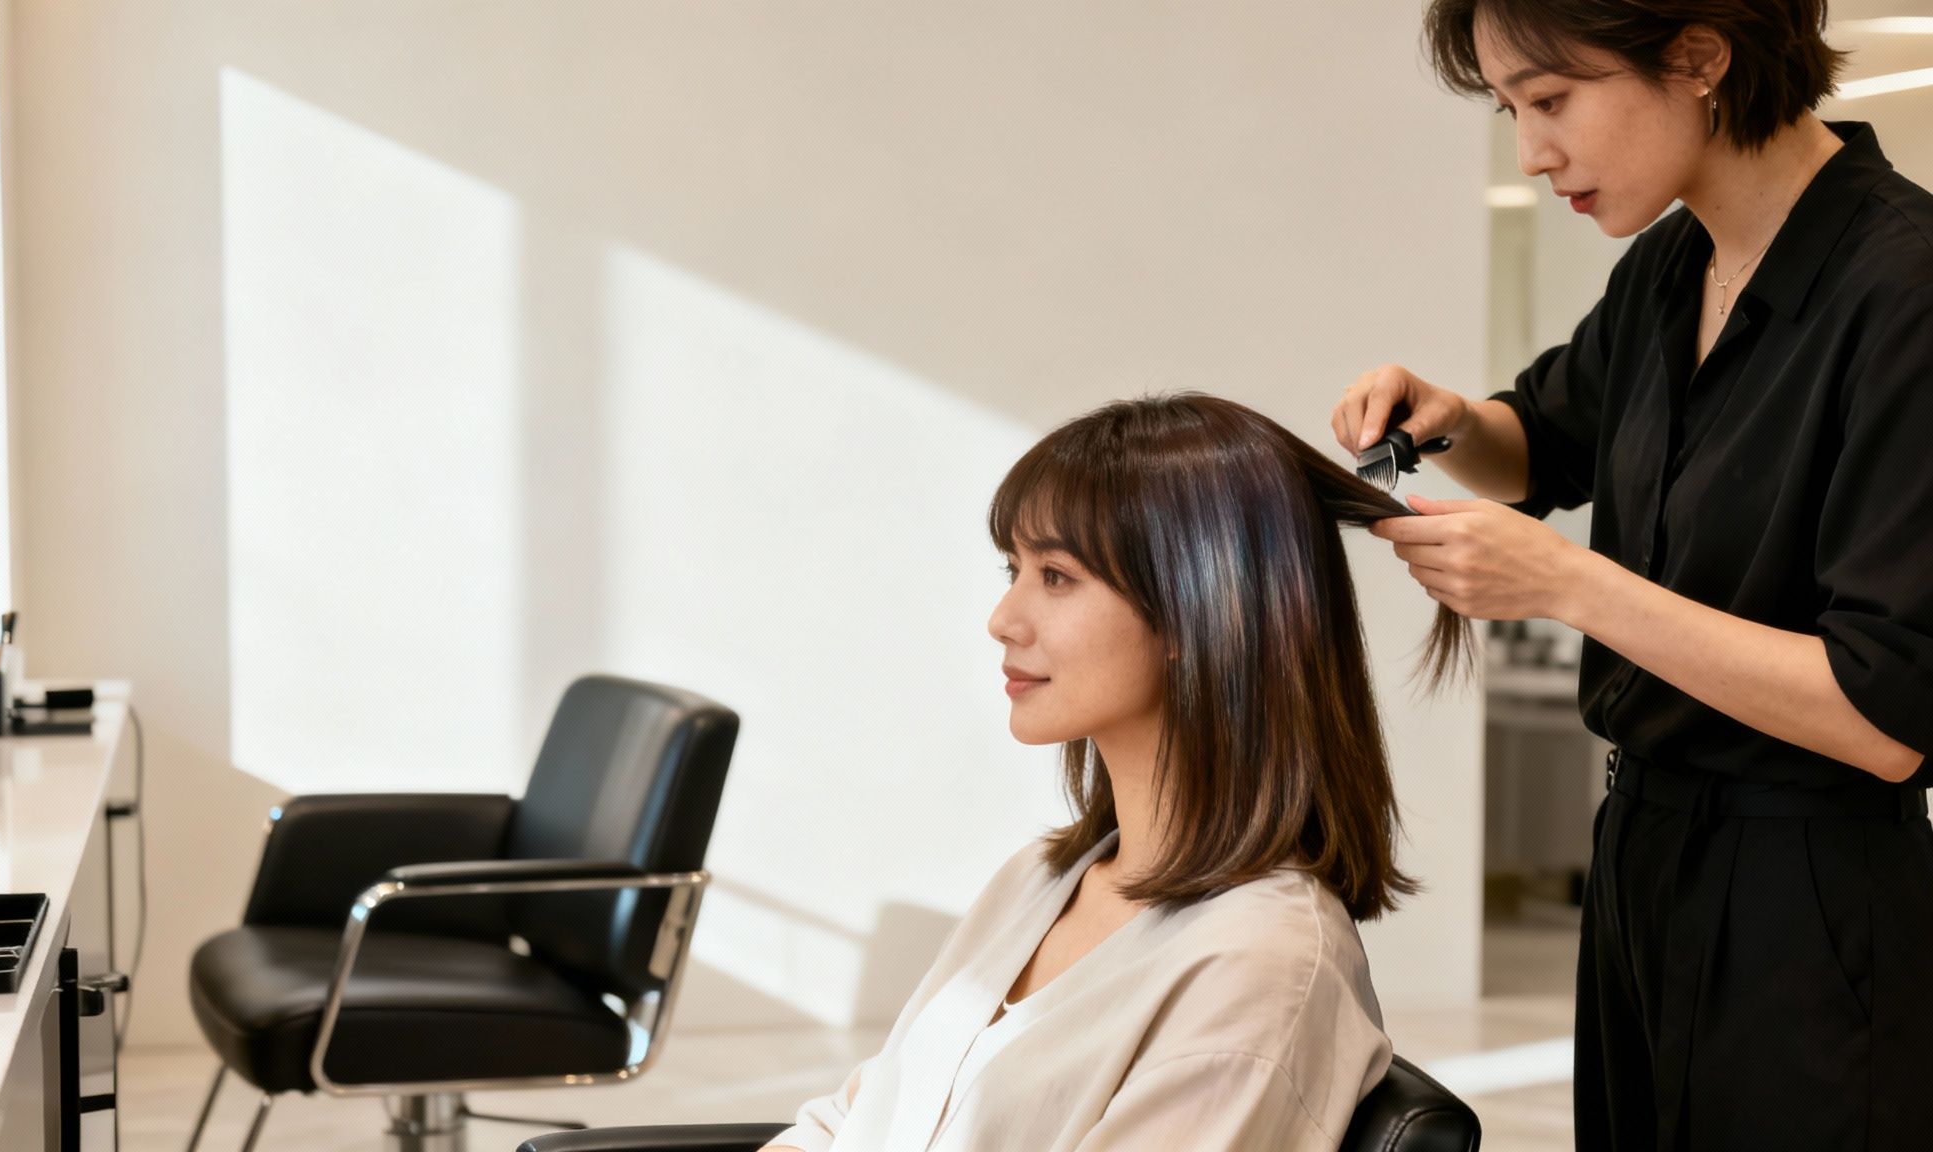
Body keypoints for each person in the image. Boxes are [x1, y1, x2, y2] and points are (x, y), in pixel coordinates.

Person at [1330, 2, 1933, 1147]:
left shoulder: (1902, 293)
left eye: (1551, 101)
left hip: (1809, 897)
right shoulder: (1670, 265)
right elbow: (1541, 445)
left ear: (1698, 56)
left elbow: (1884, 711)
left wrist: (1567, 587)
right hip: (1641, 858)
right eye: (1508, 109)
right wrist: (1450, 418)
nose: (1530, 150)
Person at [763, 393, 1471, 1152]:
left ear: (1197, 608)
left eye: (1056, 576)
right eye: (1014, 567)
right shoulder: (1040, 878)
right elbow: (857, 1118)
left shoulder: (1262, 965)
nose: (1003, 617)